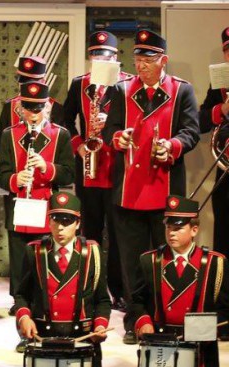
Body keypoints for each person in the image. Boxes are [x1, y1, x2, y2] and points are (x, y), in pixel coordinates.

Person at [102, 29, 200, 344]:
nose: (142, 65)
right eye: (138, 58)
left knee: (165, 258)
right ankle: (136, 320)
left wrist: (172, 145)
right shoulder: (120, 90)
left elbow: (191, 132)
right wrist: (119, 138)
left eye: (149, 58)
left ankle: (165, 317)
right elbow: (110, 131)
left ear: (163, 60)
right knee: (132, 261)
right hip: (128, 190)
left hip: (165, 191)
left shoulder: (182, 90)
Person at [126, 195, 229, 367]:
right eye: (168, 225)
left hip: (198, 360)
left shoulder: (215, 263)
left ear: (195, 229)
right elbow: (136, 302)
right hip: (158, 358)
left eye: (179, 226)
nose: (171, 232)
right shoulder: (149, 261)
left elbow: (227, 310)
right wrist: (143, 321)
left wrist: (203, 328)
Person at [14, 192, 110, 367]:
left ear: (78, 224)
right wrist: (24, 317)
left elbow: (102, 300)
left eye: (66, 221)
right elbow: (20, 294)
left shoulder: (92, 252)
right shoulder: (34, 251)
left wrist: (101, 325)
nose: (60, 227)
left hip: (83, 344)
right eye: (55, 220)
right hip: (46, 345)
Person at [0, 81, 74, 340]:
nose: (32, 115)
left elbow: (68, 173)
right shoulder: (9, 134)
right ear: (20, 108)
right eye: (28, 109)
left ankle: (47, 325)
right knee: (19, 271)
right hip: (20, 208)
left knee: (44, 270)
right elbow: (2, 174)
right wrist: (14, 180)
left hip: (46, 209)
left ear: (48, 107)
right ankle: (23, 329)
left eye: (37, 109)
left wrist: (46, 167)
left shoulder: (60, 134)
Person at [62, 31, 131, 313]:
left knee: (118, 234)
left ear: (116, 58)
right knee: (89, 231)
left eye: (107, 55)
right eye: (96, 54)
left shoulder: (128, 84)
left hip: (117, 167)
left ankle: (119, 290)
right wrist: (78, 144)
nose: (101, 59)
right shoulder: (80, 84)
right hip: (88, 168)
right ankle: (90, 288)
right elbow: (65, 120)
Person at [0, 56, 66, 157]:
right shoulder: (9, 107)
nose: (27, 86)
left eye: (32, 82)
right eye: (24, 82)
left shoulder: (55, 108)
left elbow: (62, 147)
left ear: (43, 81)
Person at [198, 27, 229, 259]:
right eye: (228, 51)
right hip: (226, 171)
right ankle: (223, 292)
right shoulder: (220, 82)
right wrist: (223, 110)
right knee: (224, 235)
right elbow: (199, 121)